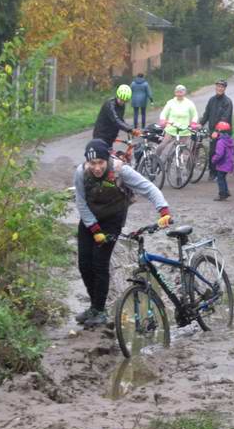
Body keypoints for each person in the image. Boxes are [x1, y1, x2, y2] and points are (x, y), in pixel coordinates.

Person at [74, 139, 172, 327]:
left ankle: (100, 311)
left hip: (112, 219)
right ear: (87, 162)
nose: (96, 168)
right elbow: (80, 202)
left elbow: (149, 188)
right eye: (92, 163)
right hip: (89, 220)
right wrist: (94, 229)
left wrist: (163, 210)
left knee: (99, 263)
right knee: (84, 264)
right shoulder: (81, 173)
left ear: (107, 160)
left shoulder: (120, 170)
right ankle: (93, 307)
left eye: (100, 163)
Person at [199, 79, 233, 180]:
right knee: (212, 152)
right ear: (215, 87)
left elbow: (225, 118)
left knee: (221, 153)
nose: (219, 88)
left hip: (223, 132)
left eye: (222, 87)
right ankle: (212, 172)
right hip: (212, 131)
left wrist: (217, 131)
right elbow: (206, 114)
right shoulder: (211, 100)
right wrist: (200, 124)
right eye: (218, 86)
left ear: (224, 88)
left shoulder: (227, 102)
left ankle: (221, 174)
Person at [157, 84, 199, 160]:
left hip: (184, 130)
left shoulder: (189, 103)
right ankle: (155, 159)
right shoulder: (170, 102)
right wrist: (162, 120)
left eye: (181, 92)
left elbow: (195, 114)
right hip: (171, 129)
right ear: (175, 93)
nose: (179, 94)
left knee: (181, 149)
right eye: (177, 92)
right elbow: (164, 113)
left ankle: (179, 164)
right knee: (162, 145)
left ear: (185, 92)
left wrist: (193, 122)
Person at [211, 121, 234, 201]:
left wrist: (213, 160)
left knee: (220, 179)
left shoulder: (220, 142)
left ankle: (222, 194)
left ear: (219, 131)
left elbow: (219, 154)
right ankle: (226, 191)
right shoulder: (230, 140)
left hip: (222, 164)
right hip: (229, 163)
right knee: (223, 178)